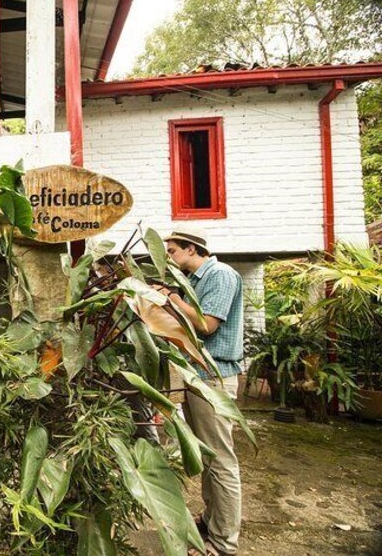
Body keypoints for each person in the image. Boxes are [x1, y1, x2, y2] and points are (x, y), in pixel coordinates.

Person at [157, 228, 244, 556]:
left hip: (214, 379)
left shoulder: (220, 275)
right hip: (198, 377)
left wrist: (172, 299)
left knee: (221, 460)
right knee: (209, 457)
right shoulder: (193, 281)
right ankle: (211, 519)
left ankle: (223, 544)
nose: (169, 257)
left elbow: (207, 325)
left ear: (192, 249)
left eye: (173, 251)